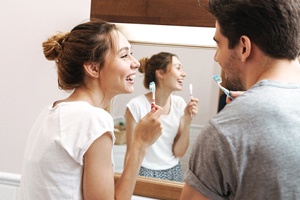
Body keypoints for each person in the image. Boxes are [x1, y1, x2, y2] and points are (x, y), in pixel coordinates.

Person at [20, 20, 164, 200]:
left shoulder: (50, 112)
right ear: (93, 68)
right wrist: (141, 144)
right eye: (124, 55)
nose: (135, 63)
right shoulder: (92, 119)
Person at [180, 0, 300, 199]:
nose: (216, 57)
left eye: (218, 44)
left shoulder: (225, 132)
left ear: (244, 47)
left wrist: (243, 117)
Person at [124, 52, 199, 182]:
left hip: (173, 171)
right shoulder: (136, 106)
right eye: (178, 67)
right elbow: (131, 153)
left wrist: (188, 121)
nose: (183, 73)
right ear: (161, 73)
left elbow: (179, 152)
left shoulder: (179, 103)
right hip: (144, 171)